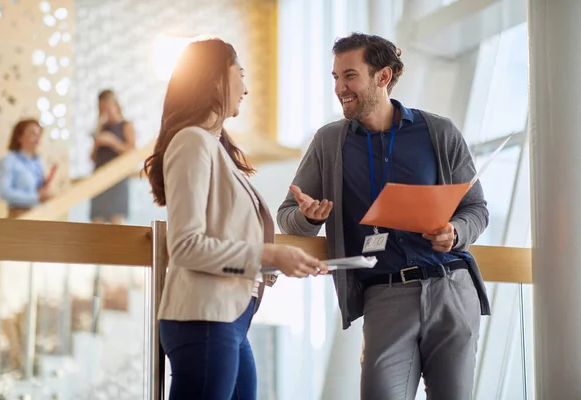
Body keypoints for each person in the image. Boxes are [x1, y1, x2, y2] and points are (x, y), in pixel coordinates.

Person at [277, 33, 490, 400]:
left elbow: (476, 209)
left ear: (383, 77)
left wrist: (456, 232)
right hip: (385, 295)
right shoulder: (330, 142)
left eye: (349, 76)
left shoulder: (438, 132)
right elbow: (287, 215)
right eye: (335, 78)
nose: (340, 87)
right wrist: (310, 218)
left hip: (451, 288)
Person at [143, 37, 327, 400]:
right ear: (215, 81)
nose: (246, 87)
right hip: (204, 318)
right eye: (239, 75)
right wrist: (269, 254)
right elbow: (185, 246)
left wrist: (274, 264)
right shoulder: (192, 142)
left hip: (227, 318)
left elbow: (224, 236)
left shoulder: (213, 146)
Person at [90, 89, 136, 225]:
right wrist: (97, 143)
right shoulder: (100, 127)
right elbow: (92, 158)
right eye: (101, 108)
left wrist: (112, 142)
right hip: (99, 176)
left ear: (115, 105)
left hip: (117, 179)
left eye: (107, 107)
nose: (105, 112)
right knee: (96, 222)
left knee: (116, 222)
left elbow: (132, 152)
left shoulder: (126, 125)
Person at [0, 118, 54, 218]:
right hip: (18, 216)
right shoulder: (9, 160)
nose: (37, 139)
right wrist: (36, 197)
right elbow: (5, 192)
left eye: (39, 135)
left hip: (39, 215)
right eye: (33, 134)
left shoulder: (38, 162)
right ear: (19, 137)